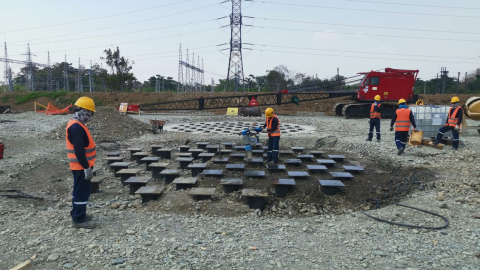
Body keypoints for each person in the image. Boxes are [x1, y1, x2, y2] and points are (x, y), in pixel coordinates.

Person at [66, 97, 97, 229]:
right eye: (90, 113)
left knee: (79, 191)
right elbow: (79, 151)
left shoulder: (77, 124)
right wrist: (86, 168)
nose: (90, 116)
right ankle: (79, 219)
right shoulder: (76, 127)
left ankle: (78, 213)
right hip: (80, 167)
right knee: (81, 192)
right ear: (83, 111)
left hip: (81, 166)